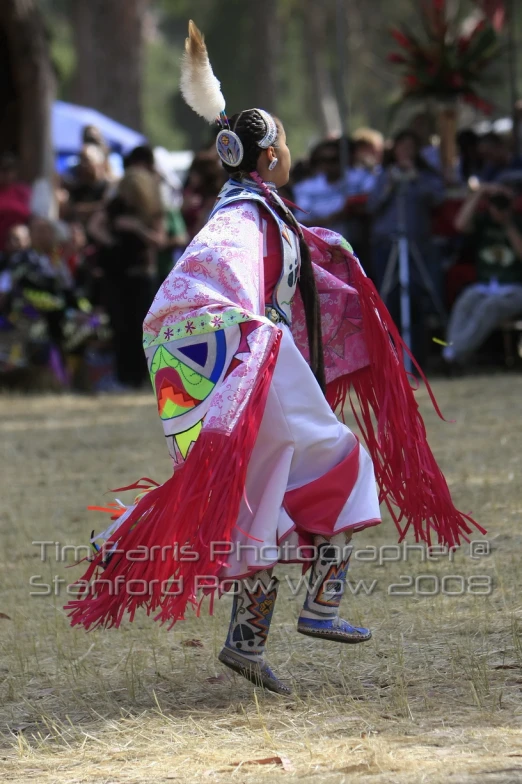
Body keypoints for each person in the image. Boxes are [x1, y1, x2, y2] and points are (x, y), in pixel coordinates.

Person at [67, 21, 482, 695]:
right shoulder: (237, 219)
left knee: (261, 500)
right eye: (283, 142)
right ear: (265, 158)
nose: (287, 150)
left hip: (262, 365)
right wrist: (248, 333)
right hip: (258, 362)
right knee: (339, 461)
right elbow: (190, 293)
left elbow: (282, 260)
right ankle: (321, 604)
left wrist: (325, 249)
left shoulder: (256, 209)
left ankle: (242, 640)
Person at [368, 129, 446, 366]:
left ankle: (426, 355)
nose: (405, 153)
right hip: (387, 245)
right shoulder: (384, 175)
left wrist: (416, 179)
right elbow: (371, 206)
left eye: (410, 148)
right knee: (388, 298)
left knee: (420, 298)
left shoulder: (425, 176)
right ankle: (389, 358)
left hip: (417, 247)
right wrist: (389, 186)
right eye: (401, 148)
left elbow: (438, 198)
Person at [89, 150, 166, 388]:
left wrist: (136, 228)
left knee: (141, 328)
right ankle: (125, 378)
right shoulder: (115, 205)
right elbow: (94, 226)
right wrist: (110, 240)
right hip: (116, 274)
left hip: (141, 274)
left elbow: (160, 241)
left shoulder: (152, 209)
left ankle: (144, 378)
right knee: (120, 327)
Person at [443, 183, 522, 365]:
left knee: (489, 306)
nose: (499, 208)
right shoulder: (483, 222)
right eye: (496, 204)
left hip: (514, 289)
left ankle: (453, 354)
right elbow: (459, 224)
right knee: (465, 301)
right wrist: (480, 194)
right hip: (484, 286)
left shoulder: (517, 223)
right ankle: (451, 350)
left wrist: (508, 224)